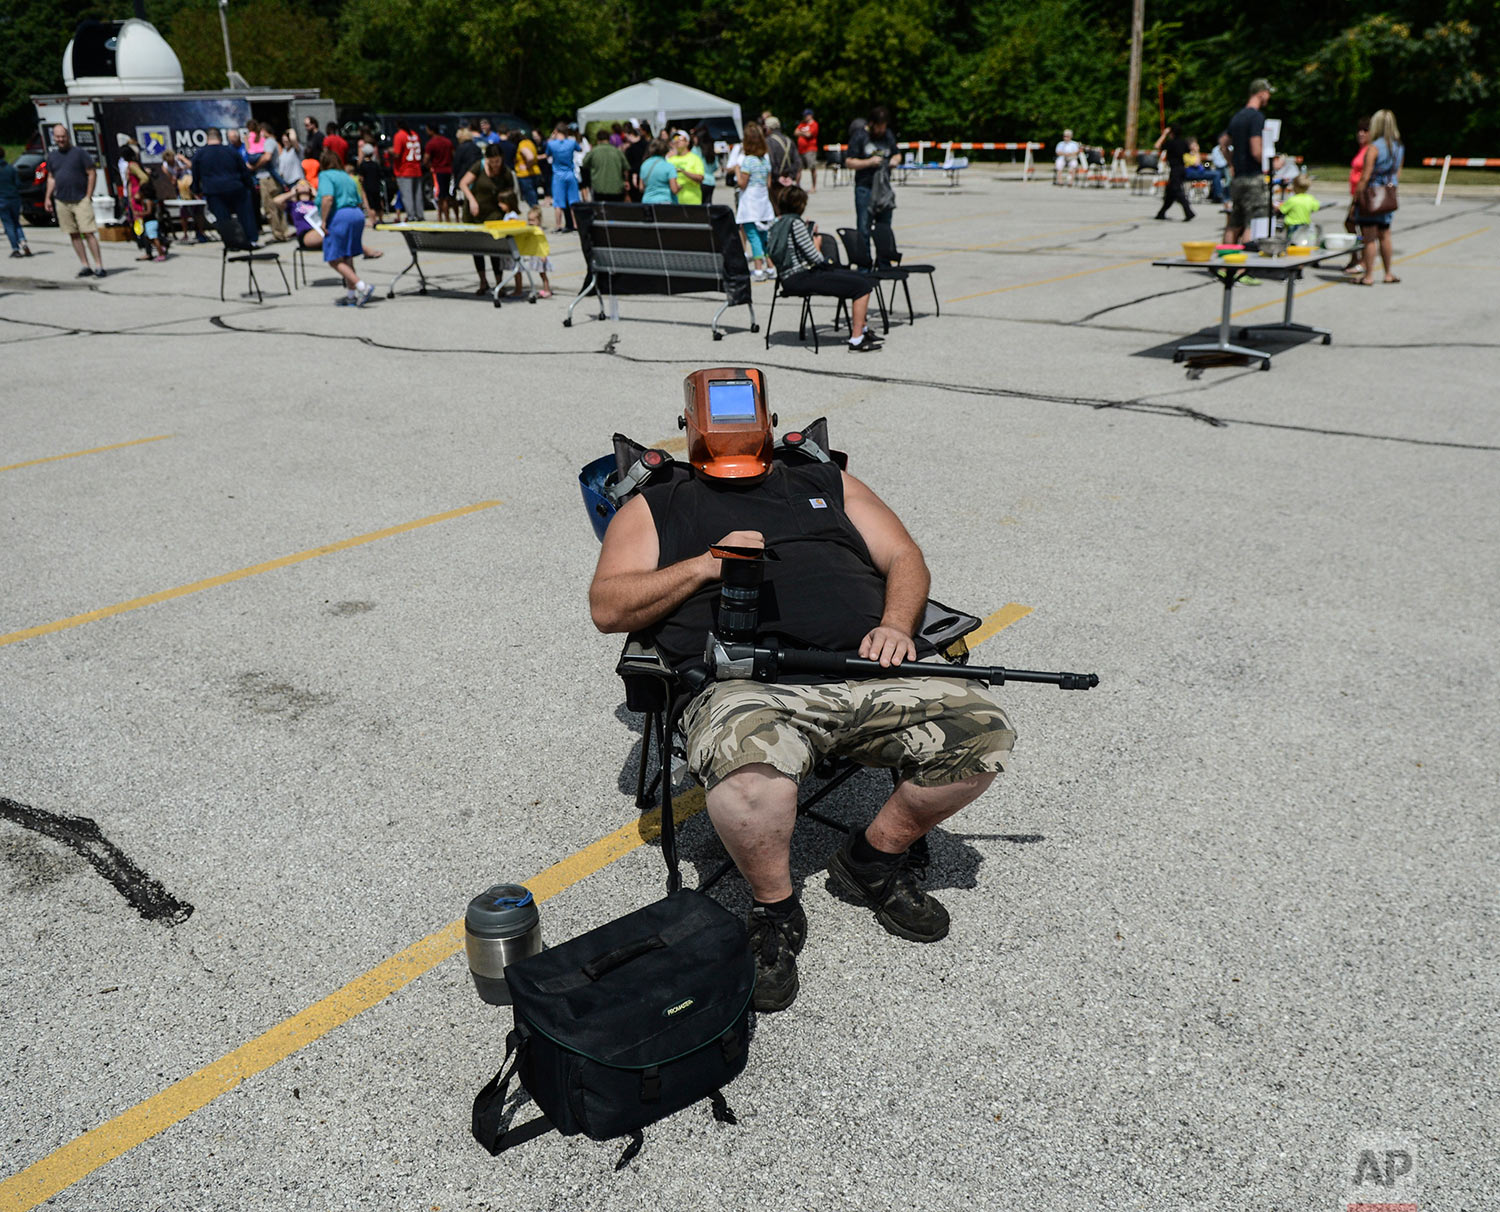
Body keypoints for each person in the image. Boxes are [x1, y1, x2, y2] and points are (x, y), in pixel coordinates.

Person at [588, 371, 1015, 1011]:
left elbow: (905, 556)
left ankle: (872, 858)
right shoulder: (659, 503)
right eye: (714, 410)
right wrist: (707, 563)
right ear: (686, 424)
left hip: (868, 670)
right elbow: (608, 606)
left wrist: (897, 625)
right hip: (745, 687)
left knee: (981, 730)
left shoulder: (826, 481)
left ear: (769, 416)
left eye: (744, 406)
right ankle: (775, 909)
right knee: (752, 777)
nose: (730, 423)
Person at [769, 186, 882, 352]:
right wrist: (817, 242)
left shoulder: (776, 224)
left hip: (786, 278)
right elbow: (815, 258)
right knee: (862, 286)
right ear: (800, 205)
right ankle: (857, 338)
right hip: (801, 277)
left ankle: (863, 329)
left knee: (859, 279)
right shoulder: (795, 224)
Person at [44, 125, 106, 277]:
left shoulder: (79, 153)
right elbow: (51, 177)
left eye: (63, 136)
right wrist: (47, 197)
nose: (60, 140)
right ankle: (85, 265)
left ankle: (99, 265)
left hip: (80, 199)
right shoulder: (52, 156)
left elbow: (91, 173)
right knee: (73, 233)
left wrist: (88, 195)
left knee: (88, 232)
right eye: (58, 137)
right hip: (62, 200)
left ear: (68, 136)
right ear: (54, 138)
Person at [315, 150, 374, 306]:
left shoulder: (326, 176)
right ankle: (350, 295)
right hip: (356, 214)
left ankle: (363, 287)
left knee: (334, 258)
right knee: (347, 256)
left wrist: (324, 221)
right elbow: (359, 198)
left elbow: (328, 198)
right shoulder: (347, 176)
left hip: (340, 216)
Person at [459, 144, 520, 294]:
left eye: (497, 161)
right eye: (492, 161)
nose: (495, 164)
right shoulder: (478, 167)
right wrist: (472, 200)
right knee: (477, 248)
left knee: (494, 248)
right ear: (487, 159)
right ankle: (483, 282)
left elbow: (511, 193)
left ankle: (500, 283)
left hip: (494, 213)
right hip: (474, 213)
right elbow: (463, 183)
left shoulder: (505, 172)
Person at [1352, 109, 1403, 286]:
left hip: (1372, 195)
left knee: (1369, 237)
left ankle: (1369, 276)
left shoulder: (1374, 148)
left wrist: (1356, 198)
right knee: (1385, 234)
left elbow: (1365, 176)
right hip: (1388, 194)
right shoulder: (1398, 147)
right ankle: (1388, 273)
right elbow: (1397, 173)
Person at [1220, 78, 1273, 244]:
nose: (1269, 97)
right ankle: (1245, 268)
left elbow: (1223, 144)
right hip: (1253, 177)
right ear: (1262, 93)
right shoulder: (1256, 117)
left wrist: (1231, 163)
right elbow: (1256, 150)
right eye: (1268, 93)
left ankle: (1225, 265)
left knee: (1234, 223)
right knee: (1253, 222)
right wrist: (1271, 164)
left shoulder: (1237, 116)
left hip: (1238, 179)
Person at [845, 106, 899, 257]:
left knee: (884, 227)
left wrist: (895, 160)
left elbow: (897, 154)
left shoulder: (888, 135)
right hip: (865, 187)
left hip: (883, 188)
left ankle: (884, 261)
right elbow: (849, 162)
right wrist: (868, 162)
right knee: (864, 227)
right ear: (872, 123)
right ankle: (865, 264)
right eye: (879, 126)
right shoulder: (860, 136)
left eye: (884, 126)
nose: (882, 130)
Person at [192, 127, 259, 247]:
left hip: (214, 191)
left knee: (223, 219)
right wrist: (249, 186)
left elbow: (195, 175)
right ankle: (250, 240)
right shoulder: (231, 151)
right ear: (220, 137)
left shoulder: (200, 154)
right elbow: (244, 171)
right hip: (236, 188)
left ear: (207, 138)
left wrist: (197, 190)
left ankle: (231, 243)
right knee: (245, 215)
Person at [735, 122, 776, 280]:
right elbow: (768, 183)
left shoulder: (748, 161)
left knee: (753, 236)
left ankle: (758, 269)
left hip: (750, 203)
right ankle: (770, 266)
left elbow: (742, 183)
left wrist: (737, 171)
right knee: (764, 236)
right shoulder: (764, 161)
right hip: (763, 202)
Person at [1341, 118, 1372, 274]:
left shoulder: (1370, 150)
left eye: (1365, 130)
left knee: (1361, 228)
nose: (1361, 133)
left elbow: (1366, 176)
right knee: (1350, 225)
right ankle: (1355, 256)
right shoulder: (1362, 149)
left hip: (1362, 196)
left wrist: (1356, 200)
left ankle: (1363, 261)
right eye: (1359, 130)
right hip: (1356, 194)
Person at [1152, 124, 1195, 222]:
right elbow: (1189, 151)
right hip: (1181, 169)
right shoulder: (1183, 142)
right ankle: (1161, 213)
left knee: (1177, 191)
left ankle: (1188, 211)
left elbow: (1157, 145)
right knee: (1170, 193)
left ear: (1171, 133)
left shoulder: (1171, 143)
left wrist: (1164, 134)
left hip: (1175, 170)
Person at [545, 123, 581, 232]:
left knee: (558, 203)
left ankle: (558, 225)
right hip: (570, 174)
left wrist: (552, 137)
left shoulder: (552, 144)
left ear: (556, 131)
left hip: (558, 175)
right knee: (573, 201)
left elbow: (547, 154)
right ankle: (576, 225)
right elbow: (579, 149)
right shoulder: (571, 143)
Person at [0, 147, 32, 258]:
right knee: (16, 222)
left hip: (2, 200)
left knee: (8, 225)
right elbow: (18, 184)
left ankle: (15, 248)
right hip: (14, 199)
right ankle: (23, 241)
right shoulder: (11, 168)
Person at [764, 116, 800, 213]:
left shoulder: (768, 141)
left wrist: (777, 177)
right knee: (788, 211)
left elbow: (770, 162)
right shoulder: (789, 141)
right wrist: (791, 177)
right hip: (788, 181)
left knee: (777, 211)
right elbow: (797, 162)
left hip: (776, 183)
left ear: (768, 129)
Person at [276, 178, 323, 251]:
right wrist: (291, 193)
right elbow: (276, 201)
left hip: (320, 229)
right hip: (305, 234)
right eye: (300, 184)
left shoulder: (316, 202)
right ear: (295, 188)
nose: (303, 185)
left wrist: (316, 194)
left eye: (305, 184)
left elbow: (329, 205)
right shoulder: (293, 204)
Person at [581, 135, 630, 203]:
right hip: (616, 188)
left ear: (598, 140)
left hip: (599, 189)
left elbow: (584, 164)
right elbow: (626, 167)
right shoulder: (617, 151)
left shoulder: (594, 151)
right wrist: (626, 180)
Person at [391, 120, 424, 220]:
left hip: (404, 170)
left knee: (407, 195)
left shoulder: (399, 135)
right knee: (417, 195)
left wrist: (389, 151)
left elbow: (397, 154)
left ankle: (411, 216)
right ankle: (420, 215)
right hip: (416, 168)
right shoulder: (414, 134)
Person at [422, 123, 454, 221]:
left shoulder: (431, 143)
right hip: (448, 170)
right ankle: (445, 216)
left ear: (431, 131)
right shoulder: (448, 142)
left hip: (437, 171)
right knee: (446, 194)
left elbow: (425, 159)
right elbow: (453, 155)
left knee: (440, 196)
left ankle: (442, 217)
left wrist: (430, 166)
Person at [1277, 175, 1320, 244]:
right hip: (1305, 224)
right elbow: (1316, 207)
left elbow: (1282, 209)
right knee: (1302, 241)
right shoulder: (1310, 198)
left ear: (1294, 187)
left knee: (1291, 242)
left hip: (1292, 225)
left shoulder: (1292, 200)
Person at [666, 131, 706, 205]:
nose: (677, 140)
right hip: (674, 202)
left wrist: (683, 172)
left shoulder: (695, 158)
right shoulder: (670, 160)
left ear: (687, 142)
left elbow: (700, 178)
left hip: (693, 202)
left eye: (680, 138)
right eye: (675, 138)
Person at [513, 127, 542, 208]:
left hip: (525, 174)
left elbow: (530, 157)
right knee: (534, 196)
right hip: (535, 172)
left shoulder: (522, 144)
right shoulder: (530, 142)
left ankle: (535, 214)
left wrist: (526, 166)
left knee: (531, 199)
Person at [624, 121, 651, 200]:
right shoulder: (647, 145)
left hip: (635, 177)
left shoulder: (630, 149)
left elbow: (628, 166)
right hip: (646, 175)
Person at [795, 109, 820, 192]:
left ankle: (813, 187)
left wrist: (801, 132)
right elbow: (795, 132)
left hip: (810, 149)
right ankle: (797, 186)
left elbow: (809, 134)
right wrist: (804, 133)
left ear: (810, 115)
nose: (805, 117)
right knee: (798, 168)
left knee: (812, 168)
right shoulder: (802, 124)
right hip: (800, 150)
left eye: (806, 115)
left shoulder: (814, 124)